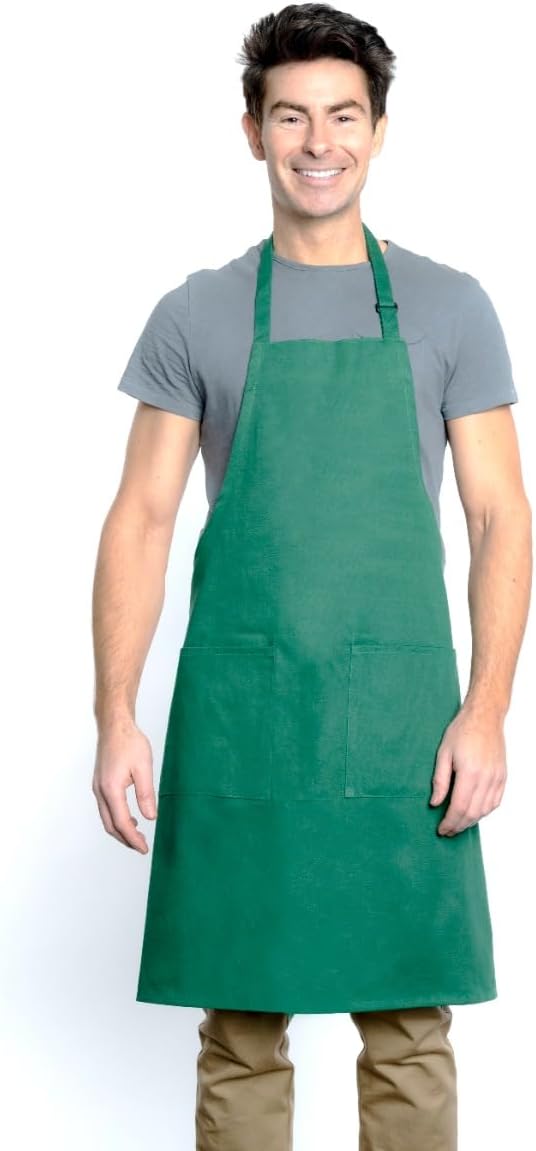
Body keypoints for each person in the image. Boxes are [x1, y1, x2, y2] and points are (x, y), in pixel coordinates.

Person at [91, 5, 532, 1149]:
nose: (316, 140)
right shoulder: (193, 313)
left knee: (408, 1024)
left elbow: (497, 515)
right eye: (290, 115)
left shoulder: (449, 305)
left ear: (377, 131)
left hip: (400, 718)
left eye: (341, 114)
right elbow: (140, 517)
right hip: (244, 715)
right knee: (238, 1025)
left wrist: (484, 710)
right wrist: (113, 716)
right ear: (252, 131)